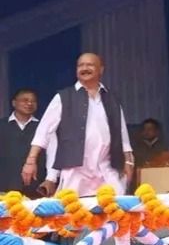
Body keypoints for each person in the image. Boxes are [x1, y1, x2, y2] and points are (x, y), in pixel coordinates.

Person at [21, 53, 135, 197]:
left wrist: (129, 161)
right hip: (75, 171)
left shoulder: (112, 98)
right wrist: (31, 161)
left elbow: (122, 133)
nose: (84, 68)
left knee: (114, 207)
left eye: (89, 65)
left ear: (101, 69)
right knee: (73, 208)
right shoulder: (63, 97)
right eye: (80, 65)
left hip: (107, 168)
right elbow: (43, 131)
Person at [0, 89, 48, 198]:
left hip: (36, 186)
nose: (29, 103)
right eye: (25, 100)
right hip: (4, 185)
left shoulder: (43, 127)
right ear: (14, 103)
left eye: (33, 101)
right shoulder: (2, 125)